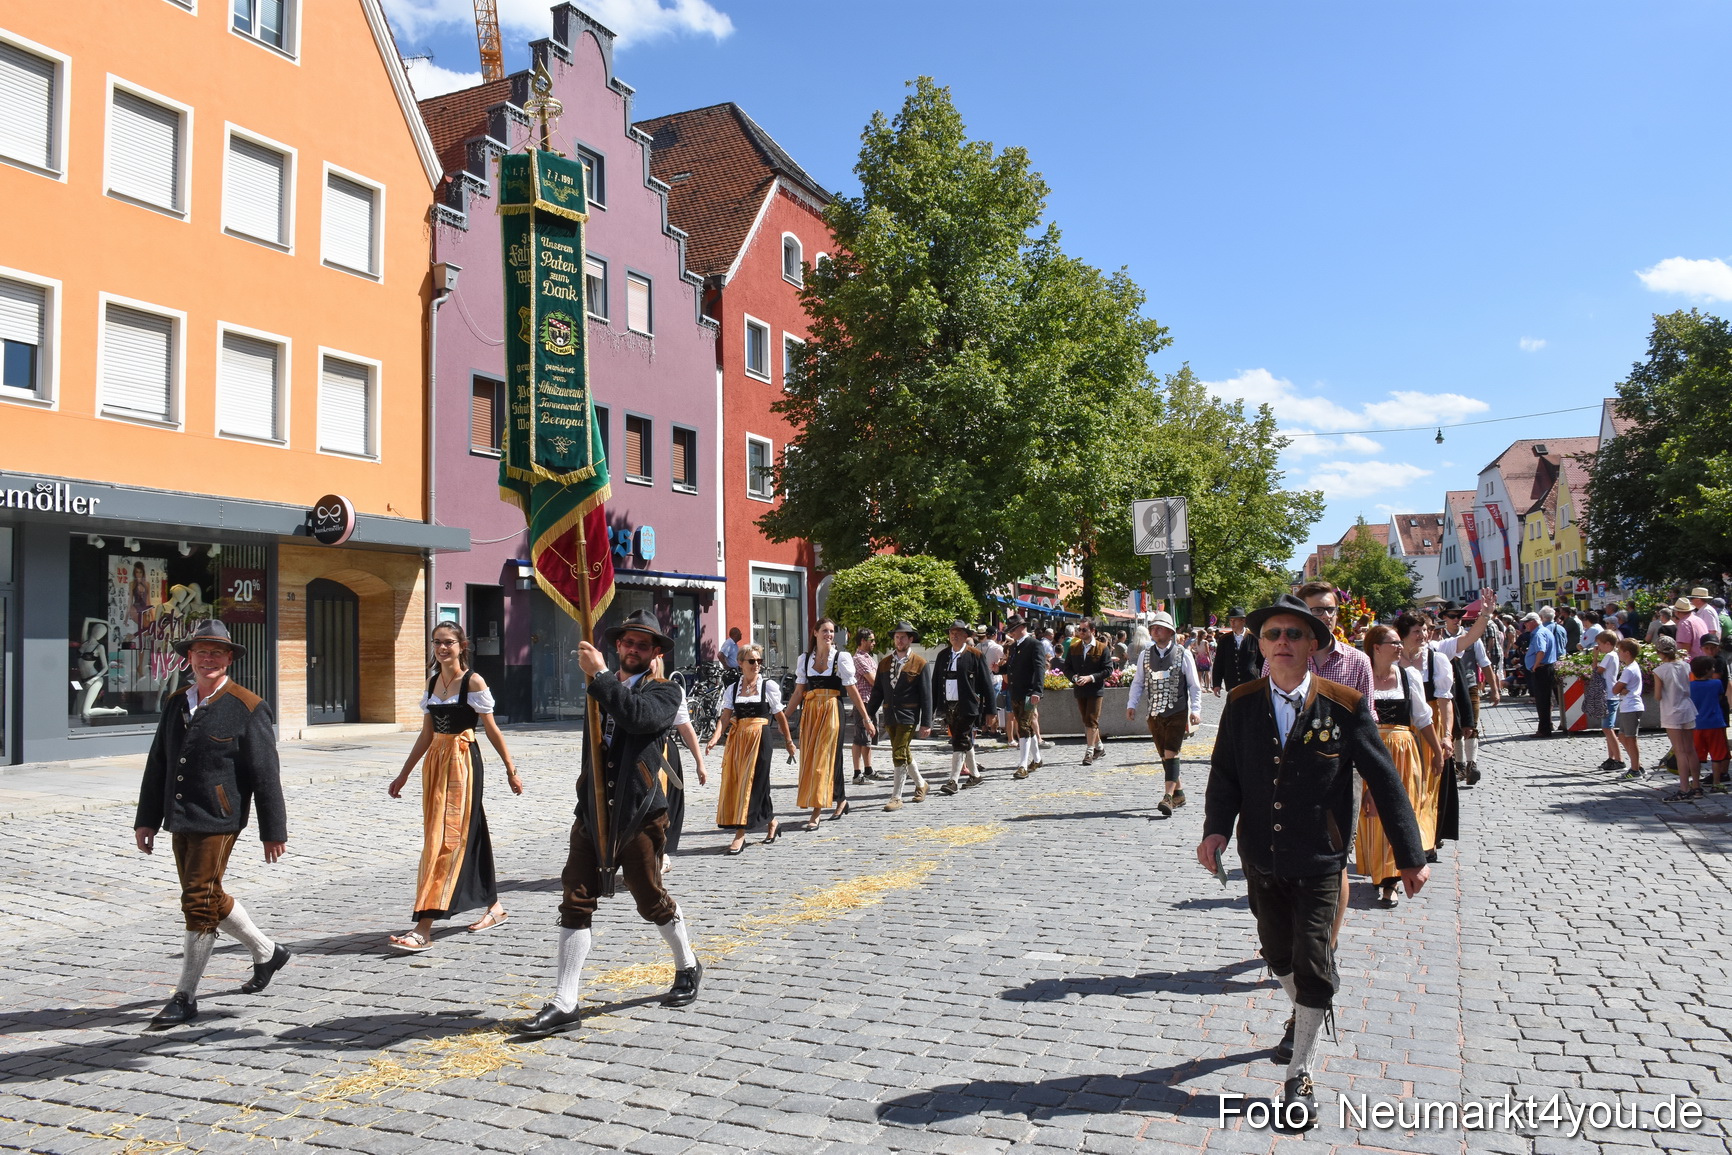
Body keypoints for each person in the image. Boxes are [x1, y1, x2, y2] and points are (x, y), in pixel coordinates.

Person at [1198, 594, 1428, 1130]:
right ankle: (1308, 995)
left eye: (1294, 635)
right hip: (1261, 855)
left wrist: (1409, 855)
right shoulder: (1241, 701)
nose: (1283, 642)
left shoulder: (1345, 704)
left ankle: (1298, 1072)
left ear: (1313, 645)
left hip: (1322, 856)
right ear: (1259, 645)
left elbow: (1385, 781)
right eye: (1273, 634)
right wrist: (1215, 830)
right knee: (1279, 956)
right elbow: (1225, 773)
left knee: (1313, 963)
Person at [520, 610, 702, 1038]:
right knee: (576, 898)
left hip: (639, 814)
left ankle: (688, 965)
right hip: (594, 813)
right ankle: (566, 1002)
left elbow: (637, 717)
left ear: (655, 652)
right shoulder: (596, 689)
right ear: (618, 645)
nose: (634, 649)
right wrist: (585, 798)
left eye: (644, 644)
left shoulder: (665, 693)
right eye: (628, 642)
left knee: (650, 899)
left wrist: (601, 676)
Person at [133, 620, 289, 1028]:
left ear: (230, 659)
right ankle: (268, 951)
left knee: (198, 900)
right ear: (189, 658)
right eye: (201, 652)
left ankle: (185, 995)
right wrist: (146, 818)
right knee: (205, 894)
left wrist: (273, 830)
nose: (208, 659)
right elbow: (158, 763)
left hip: (221, 816)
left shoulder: (248, 706)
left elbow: (265, 773)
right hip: (180, 814)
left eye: (217, 653)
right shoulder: (175, 703)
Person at [387, 623, 523, 952]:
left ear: (462, 645)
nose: (442, 648)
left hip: (463, 763)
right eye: (437, 642)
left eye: (449, 642)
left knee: (444, 839)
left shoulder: (473, 681)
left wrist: (510, 769)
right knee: (468, 832)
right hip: (436, 763)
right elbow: (425, 735)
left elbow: (491, 730)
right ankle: (495, 908)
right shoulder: (433, 682)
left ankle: (423, 927)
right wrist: (403, 773)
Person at [1356, 624, 1444, 908]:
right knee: (1372, 815)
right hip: (1371, 751)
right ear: (1375, 647)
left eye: (1398, 642)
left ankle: (1390, 881)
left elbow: (1422, 718)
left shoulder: (1410, 676)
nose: (1399, 647)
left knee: (1402, 813)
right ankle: (1380, 873)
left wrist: (1437, 750)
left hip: (1406, 754)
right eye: (1392, 642)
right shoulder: (1362, 677)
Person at [705, 644, 793, 854]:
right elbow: (725, 716)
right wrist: (715, 737)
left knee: (754, 783)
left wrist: (789, 741)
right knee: (746, 783)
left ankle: (740, 835)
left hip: (761, 737)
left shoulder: (768, 687)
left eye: (759, 661)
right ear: (740, 663)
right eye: (752, 661)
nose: (756, 665)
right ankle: (772, 822)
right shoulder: (733, 688)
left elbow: (780, 716)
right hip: (739, 740)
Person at [786, 618, 874, 829]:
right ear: (815, 632)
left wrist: (866, 718)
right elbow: (799, 691)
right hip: (810, 712)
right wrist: (782, 717)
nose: (829, 635)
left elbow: (852, 690)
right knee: (823, 758)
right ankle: (841, 799)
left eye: (832, 631)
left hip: (832, 710)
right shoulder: (805, 659)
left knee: (823, 759)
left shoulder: (841, 657)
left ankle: (816, 812)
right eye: (825, 630)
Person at [1126, 610, 1202, 817]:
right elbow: (1139, 682)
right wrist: (1131, 704)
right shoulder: (1145, 655)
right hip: (1154, 712)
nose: (1155, 630)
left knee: (1171, 752)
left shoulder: (1183, 654)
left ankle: (1167, 797)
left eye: (1159, 627)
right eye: (1153, 627)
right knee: (1164, 755)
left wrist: (1195, 710)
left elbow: (1194, 685)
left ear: (1169, 632)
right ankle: (1179, 793)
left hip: (1177, 710)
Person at [864, 622, 933, 808]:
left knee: (899, 754)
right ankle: (921, 784)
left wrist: (927, 722)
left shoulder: (920, 663)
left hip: (909, 715)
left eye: (903, 637)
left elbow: (927, 695)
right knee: (903, 752)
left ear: (910, 639)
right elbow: (877, 691)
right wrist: (868, 714)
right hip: (889, 714)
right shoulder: (885, 663)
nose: (899, 640)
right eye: (897, 637)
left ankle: (896, 797)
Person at [933, 620, 996, 793]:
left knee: (958, 740)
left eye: (958, 633)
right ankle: (975, 776)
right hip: (949, 706)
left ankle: (953, 780)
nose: (954, 636)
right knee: (964, 740)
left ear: (965, 636)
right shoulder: (943, 655)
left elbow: (986, 684)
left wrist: (991, 710)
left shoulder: (975, 655)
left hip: (968, 706)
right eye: (952, 633)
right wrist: (932, 708)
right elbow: (936, 683)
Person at [1003, 616, 1048, 779]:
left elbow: (1039, 669)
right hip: (1016, 691)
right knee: (1026, 727)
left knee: (1023, 725)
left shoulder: (1034, 644)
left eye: (1013, 630)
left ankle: (1022, 765)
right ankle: (1037, 759)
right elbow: (1011, 667)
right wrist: (998, 669)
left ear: (1022, 627)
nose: (1012, 633)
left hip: (1029, 692)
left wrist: (1037, 691)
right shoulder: (1014, 646)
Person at [1655, 636, 1699, 801]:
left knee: (1679, 751)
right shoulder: (1685, 666)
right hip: (1687, 708)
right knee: (1690, 750)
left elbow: (1658, 695)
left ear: (1660, 652)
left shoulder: (1660, 670)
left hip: (1671, 711)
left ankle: (1683, 788)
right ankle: (1696, 786)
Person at [1064, 619, 1114, 765]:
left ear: (1092, 631)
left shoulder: (1101, 648)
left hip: (1095, 689)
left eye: (1084, 630)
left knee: (1092, 719)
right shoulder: (1074, 647)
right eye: (1079, 629)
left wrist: (1090, 678)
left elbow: (1108, 670)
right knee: (1086, 720)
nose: (1081, 632)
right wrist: (1074, 677)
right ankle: (1099, 747)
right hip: (1080, 688)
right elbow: (1067, 668)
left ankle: (1089, 751)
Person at [1524, 605, 1568, 737]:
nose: (1525, 625)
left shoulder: (1539, 633)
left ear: (1533, 622)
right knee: (1546, 699)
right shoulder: (1545, 630)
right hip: (1548, 666)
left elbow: (1541, 651)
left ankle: (1544, 729)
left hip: (1542, 668)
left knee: (1542, 700)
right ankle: (1546, 726)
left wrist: (1535, 665)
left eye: (1526, 622)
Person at [1690, 655, 1728, 794]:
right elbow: (1719, 696)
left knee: (1697, 756)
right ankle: (1716, 783)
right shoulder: (1716, 683)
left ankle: (1696, 783)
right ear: (1707, 670)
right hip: (1715, 723)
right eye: (1712, 668)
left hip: (1697, 725)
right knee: (1717, 755)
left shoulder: (1690, 686)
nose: (1714, 670)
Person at [1611, 637, 1646, 781]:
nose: (1618, 653)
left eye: (1620, 651)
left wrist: (1620, 688)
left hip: (1631, 706)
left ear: (1626, 653)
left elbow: (1615, 689)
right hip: (1628, 706)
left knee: (1631, 739)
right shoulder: (1631, 667)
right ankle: (1637, 764)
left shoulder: (1628, 670)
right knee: (1623, 737)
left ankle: (1635, 770)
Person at [850, 628, 880, 785]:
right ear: (862, 641)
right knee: (860, 738)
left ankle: (868, 770)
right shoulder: (859, 659)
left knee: (869, 738)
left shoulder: (869, 657)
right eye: (871, 640)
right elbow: (874, 680)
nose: (874, 643)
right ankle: (857, 773)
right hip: (863, 702)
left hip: (872, 702)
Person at [1590, 630, 1623, 773]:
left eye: (1600, 644)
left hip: (1609, 695)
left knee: (1607, 728)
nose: (1599, 647)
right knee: (1608, 729)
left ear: (1608, 644)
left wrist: (1595, 656)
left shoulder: (1609, 656)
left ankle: (1619, 759)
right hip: (1609, 695)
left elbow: (1596, 670)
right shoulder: (1613, 655)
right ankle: (1612, 757)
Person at [1211, 608, 1258, 695]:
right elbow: (1219, 663)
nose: (1232, 623)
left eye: (1235, 620)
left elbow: (1261, 661)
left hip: (1251, 684)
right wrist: (1216, 684)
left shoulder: (1254, 638)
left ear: (1243, 621)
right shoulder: (1224, 639)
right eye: (1231, 620)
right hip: (1232, 684)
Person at [978, 627, 1006, 740]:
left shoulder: (977, 646)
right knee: (993, 704)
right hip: (994, 679)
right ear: (994, 635)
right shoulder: (997, 647)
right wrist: (999, 664)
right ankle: (993, 729)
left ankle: (984, 728)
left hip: (981, 680)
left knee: (983, 704)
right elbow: (1006, 657)